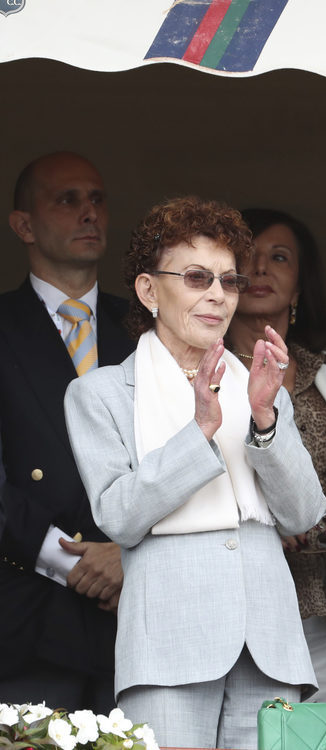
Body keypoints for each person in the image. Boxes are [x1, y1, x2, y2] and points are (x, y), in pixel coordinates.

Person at [63, 196, 326, 749]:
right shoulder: (102, 392)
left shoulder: (256, 382)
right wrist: (199, 431)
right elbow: (118, 515)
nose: (217, 295)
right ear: (148, 290)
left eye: (228, 282)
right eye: (196, 277)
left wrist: (263, 418)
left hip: (270, 645)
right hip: (168, 646)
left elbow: (304, 512)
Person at [0, 152, 133, 713]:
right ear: (24, 225)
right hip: (30, 615)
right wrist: (74, 561)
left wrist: (130, 556)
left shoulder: (150, 329)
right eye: (67, 199)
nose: (89, 213)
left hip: (136, 621)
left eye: (97, 199)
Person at [225, 208, 326, 703]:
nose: (261, 268)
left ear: (300, 284)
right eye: (248, 257)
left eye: (279, 257)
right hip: (236, 613)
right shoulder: (199, 379)